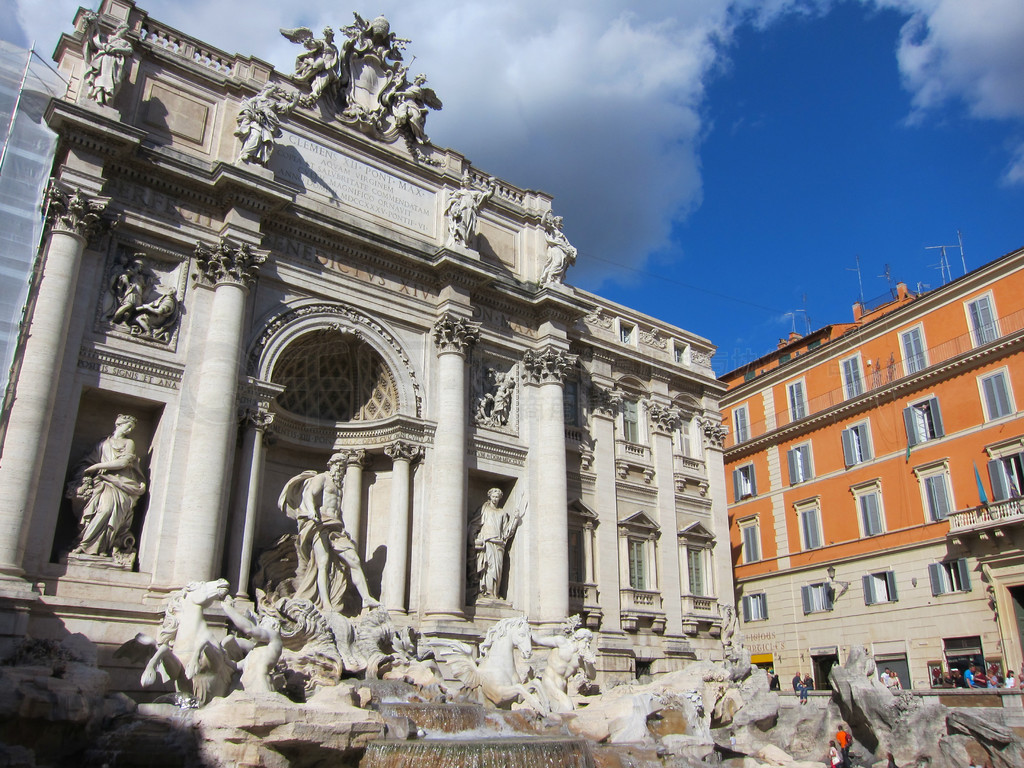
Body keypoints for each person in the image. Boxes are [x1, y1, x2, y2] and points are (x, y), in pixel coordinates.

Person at [278, 454, 380, 613]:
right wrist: (312, 512)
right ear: (331, 464)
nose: (340, 468)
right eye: (338, 464)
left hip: (336, 528)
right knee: (323, 563)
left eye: (343, 465)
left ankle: (366, 598)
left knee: (354, 560)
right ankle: (326, 603)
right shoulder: (322, 478)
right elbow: (310, 495)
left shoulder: (339, 484)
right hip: (321, 523)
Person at [68, 414, 147, 557]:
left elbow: (123, 463)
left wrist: (97, 466)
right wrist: (86, 473)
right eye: (127, 426)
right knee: (99, 510)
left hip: (120, 484)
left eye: (131, 428)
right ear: (118, 424)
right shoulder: (103, 442)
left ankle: (101, 547)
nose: (129, 430)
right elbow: (87, 461)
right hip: (101, 482)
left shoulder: (129, 443)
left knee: (108, 511)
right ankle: (85, 544)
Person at [469, 488, 524, 598]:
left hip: (498, 544)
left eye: (497, 497)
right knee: (487, 568)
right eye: (493, 497)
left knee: (497, 571)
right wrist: (473, 539)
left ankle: (494, 593)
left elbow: (507, 532)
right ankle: (485, 592)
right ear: (490, 496)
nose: (495, 499)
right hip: (487, 543)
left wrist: (515, 519)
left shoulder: (502, 512)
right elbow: (474, 526)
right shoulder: (484, 510)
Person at [532, 622, 596, 713]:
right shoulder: (562, 642)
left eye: (589, 643)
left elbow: (592, 676)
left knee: (559, 713)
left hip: (563, 686)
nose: (588, 645)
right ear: (578, 639)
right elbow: (538, 640)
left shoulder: (581, 658)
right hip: (549, 681)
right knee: (568, 708)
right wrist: (528, 630)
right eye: (586, 642)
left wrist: (588, 663)